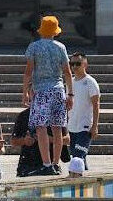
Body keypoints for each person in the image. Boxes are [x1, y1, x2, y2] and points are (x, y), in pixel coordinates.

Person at [23, 15, 74, 173]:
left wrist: (25, 91)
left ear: (41, 30)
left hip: (41, 91)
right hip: (58, 90)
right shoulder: (61, 47)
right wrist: (70, 94)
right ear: (55, 32)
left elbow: (28, 72)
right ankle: (56, 163)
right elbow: (67, 72)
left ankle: (46, 164)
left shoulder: (34, 47)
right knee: (57, 127)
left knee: (41, 127)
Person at [10, 107, 70, 177]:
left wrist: (47, 139)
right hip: (27, 166)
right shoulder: (24, 115)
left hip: (50, 167)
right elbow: (13, 141)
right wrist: (24, 141)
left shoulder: (55, 114)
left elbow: (67, 140)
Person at [67, 52, 100, 170]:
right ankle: (82, 181)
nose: (74, 66)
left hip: (85, 127)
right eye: (72, 64)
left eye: (78, 63)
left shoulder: (90, 82)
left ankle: (75, 178)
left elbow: (96, 105)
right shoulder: (70, 82)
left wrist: (94, 126)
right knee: (78, 158)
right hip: (72, 126)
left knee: (78, 156)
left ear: (85, 64)